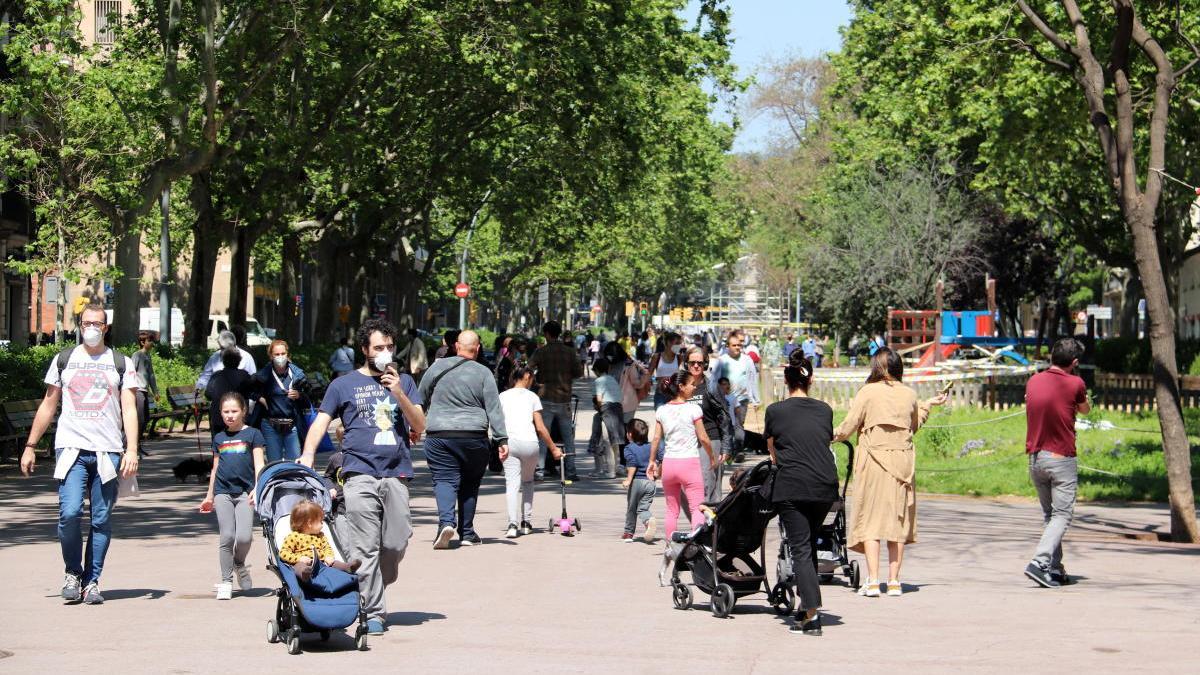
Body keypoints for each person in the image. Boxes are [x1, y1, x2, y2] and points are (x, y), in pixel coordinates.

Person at [299, 318, 425, 635]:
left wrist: (398, 392)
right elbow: (321, 421)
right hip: (358, 473)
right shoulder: (343, 384)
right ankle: (373, 612)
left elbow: (420, 425)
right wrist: (309, 454)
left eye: (390, 347)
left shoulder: (405, 382)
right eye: (379, 347)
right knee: (364, 548)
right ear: (365, 350)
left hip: (396, 472)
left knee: (396, 541)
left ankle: (379, 583)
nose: (386, 352)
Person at [19, 303, 141, 605]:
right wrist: (30, 445)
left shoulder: (120, 362)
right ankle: (73, 572)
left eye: (98, 324)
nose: (92, 328)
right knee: (69, 513)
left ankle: (92, 581)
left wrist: (132, 450)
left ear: (106, 327)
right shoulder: (64, 360)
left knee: (101, 519)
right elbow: (49, 404)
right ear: (79, 324)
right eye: (87, 322)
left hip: (107, 451)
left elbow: (129, 408)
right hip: (71, 449)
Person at [833, 348, 946, 598]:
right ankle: (894, 581)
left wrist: (830, 435)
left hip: (874, 460)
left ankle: (873, 581)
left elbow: (849, 425)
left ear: (877, 367)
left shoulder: (868, 392)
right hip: (903, 463)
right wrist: (929, 405)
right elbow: (913, 425)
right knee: (898, 519)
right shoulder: (909, 394)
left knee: (872, 520)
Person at [765, 352, 839, 635]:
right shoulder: (825, 410)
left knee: (801, 550)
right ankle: (805, 608)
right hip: (824, 487)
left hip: (793, 486)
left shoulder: (775, 411)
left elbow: (772, 450)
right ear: (812, 380)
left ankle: (811, 614)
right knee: (806, 545)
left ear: (786, 380)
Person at [419, 330, 508, 548]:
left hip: (439, 434)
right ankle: (467, 533)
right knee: (470, 483)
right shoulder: (484, 372)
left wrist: (414, 427)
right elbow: (494, 408)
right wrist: (501, 439)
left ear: (456, 346)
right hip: (474, 436)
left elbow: (419, 398)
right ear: (477, 348)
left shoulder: (437, 367)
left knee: (444, 480)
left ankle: (446, 523)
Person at [1023, 338, 1090, 588]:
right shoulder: (1075, 383)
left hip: (1036, 458)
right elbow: (1085, 410)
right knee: (1062, 515)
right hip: (1061, 458)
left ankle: (1054, 569)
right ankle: (1039, 562)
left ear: (1052, 356)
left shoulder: (1033, 380)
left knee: (1051, 516)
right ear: (1074, 362)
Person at [199, 392, 266, 599]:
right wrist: (209, 495)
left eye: (234, 411)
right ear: (220, 413)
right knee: (227, 536)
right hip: (223, 492)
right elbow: (215, 467)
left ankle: (239, 563)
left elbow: (259, 464)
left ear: (243, 411)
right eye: (225, 411)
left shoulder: (253, 434)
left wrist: (258, 487)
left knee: (244, 537)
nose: (229, 415)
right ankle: (226, 580)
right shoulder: (219, 437)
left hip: (245, 492)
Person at [646, 370, 716, 540]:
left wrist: (652, 461)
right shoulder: (694, 409)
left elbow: (656, 438)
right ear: (681, 387)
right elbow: (704, 438)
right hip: (689, 464)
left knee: (671, 510)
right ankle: (698, 545)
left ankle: (671, 544)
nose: (694, 387)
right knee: (696, 507)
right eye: (692, 384)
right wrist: (712, 457)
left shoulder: (662, 410)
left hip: (669, 464)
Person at [498, 365, 565, 538]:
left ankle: (512, 524)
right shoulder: (532, 397)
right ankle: (526, 522)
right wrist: (553, 448)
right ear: (527, 376)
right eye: (533, 377)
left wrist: (498, 442)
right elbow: (541, 428)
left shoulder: (502, 396)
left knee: (512, 484)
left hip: (510, 443)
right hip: (530, 444)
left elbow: (496, 422)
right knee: (527, 482)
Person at [528, 320, 584, 481]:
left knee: (543, 435)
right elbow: (579, 372)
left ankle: (539, 471)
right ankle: (571, 471)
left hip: (545, 398)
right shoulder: (570, 352)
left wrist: (539, 380)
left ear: (546, 334)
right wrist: (566, 377)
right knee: (568, 437)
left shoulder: (541, 352)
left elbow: (529, 368)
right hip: (564, 398)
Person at [680, 347, 734, 504]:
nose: (696, 366)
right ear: (686, 364)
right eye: (692, 363)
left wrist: (726, 447)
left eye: (700, 363)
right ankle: (699, 523)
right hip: (686, 443)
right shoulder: (682, 387)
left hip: (710, 441)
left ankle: (710, 525)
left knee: (708, 486)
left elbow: (724, 417)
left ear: (705, 364)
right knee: (685, 488)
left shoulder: (711, 387)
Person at [252, 339, 308, 463]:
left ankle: (292, 482)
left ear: (288, 355)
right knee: (274, 463)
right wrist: (260, 399)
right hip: (270, 425)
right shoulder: (264, 375)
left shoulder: (297, 374)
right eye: (277, 354)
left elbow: (307, 401)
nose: (280, 357)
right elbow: (247, 389)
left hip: (292, 424)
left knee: (294, 462)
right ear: (271, 356)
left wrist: (299, 395)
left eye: (283, 354)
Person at [278, 501, 362, 582]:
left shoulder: (320, 535)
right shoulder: (293, 537)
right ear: (310, 523)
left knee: (334, 563)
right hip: (304, 563)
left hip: (321, 564)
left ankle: (347, 567)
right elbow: (283, 553)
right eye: (320, 521)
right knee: (299, 567)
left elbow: (327, 547)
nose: (322, 525)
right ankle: (304, 575)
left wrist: (329, 556)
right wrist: (298, 559)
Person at [621, 419, 657, 543]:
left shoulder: (629, 448)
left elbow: (633, 463)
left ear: (630, 434)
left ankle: (628, 533)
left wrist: (628, 480)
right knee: (643, 508)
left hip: (637, 482)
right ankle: (648, 520)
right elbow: (659, 459)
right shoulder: (652, 446)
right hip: (650, 482)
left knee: (632, 508)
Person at [712, 332, 760, 426]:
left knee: (739, 430)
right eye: (734, 345)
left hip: (742, 400)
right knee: (726, 428)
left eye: (739, 345)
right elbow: (714, 381)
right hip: (726, 401)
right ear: (728, 346)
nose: (737, 347)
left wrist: (756, 400)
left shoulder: (747, 360)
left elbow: (753, 380)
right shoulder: (721, 361)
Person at [206, 348, 256, 437]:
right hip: (239, 420)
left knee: (219, 446)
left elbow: (208, 394)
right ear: (239, 361)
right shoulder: (245, 376)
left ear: (223, 361)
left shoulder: (216, 376)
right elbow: (253, 393)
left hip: (219, 419)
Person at [587, 357, 624, 479]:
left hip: (606, 410)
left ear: (597, 370)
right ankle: (615, 468)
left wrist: (598, 407)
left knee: (604, 441)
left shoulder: (599, 381)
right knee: (614, 442)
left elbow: (598, 399)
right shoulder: (613, 379)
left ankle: (608, 471)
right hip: (618, 410)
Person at [132, 330, 158, 450]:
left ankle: (138, 442)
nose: (152, 343)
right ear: (142, 342)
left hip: (145, 391)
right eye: (150, 341)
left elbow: (151, 375)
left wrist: (155, 391)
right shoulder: (137, 355)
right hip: (138, 390)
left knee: (146, 418)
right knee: (140, 419)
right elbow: (131, 373)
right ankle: (133, 444)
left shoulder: (148, 356)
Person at [648, 331, 683, 408]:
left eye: (679, 344)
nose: (679, 346)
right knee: (660, 418)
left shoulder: (679, 357)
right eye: (677, 343)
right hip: (660, 395)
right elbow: (648, 374)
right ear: (668, 342)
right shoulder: (657, 357)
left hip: (674, 395)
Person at [618, 351, 650, 423]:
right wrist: (644, 372)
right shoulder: (629, 366)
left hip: (611, 403)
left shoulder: (610, 365)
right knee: (626, 426)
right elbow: (637, 384)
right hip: (628, 403)